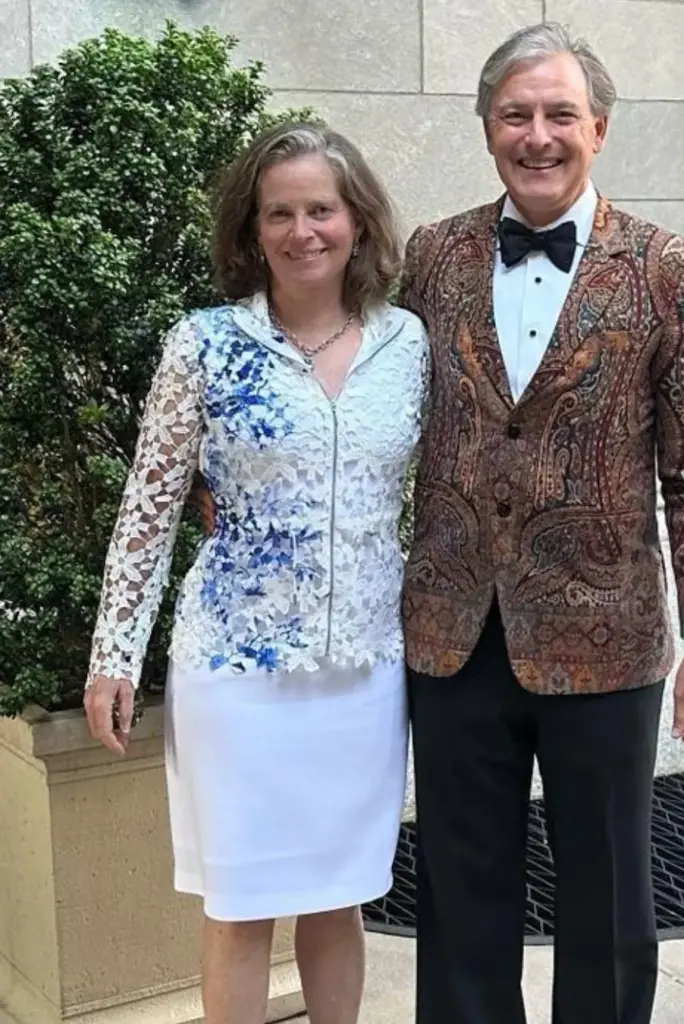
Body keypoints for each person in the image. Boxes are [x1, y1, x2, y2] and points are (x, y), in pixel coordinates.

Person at [397, 22, 684, 1024]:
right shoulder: (432, 255)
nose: (536, 135)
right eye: (515, 114)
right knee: (459, 894)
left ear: (599, 128)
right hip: (453, 632)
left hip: (607, 638)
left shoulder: (670, 269)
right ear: (486, 128)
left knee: (607, 899)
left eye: (559, 114)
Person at [83, 121, 428, 1024]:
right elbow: (149, 508)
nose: (302, 231)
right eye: (279, 213)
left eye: (321, 209)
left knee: (339, 898)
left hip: (363, 669)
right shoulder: (202, 345)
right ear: (251, 229)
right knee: (239, 906)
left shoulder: (408, 345)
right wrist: (114, 654)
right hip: (236, 670)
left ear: (358, 220)